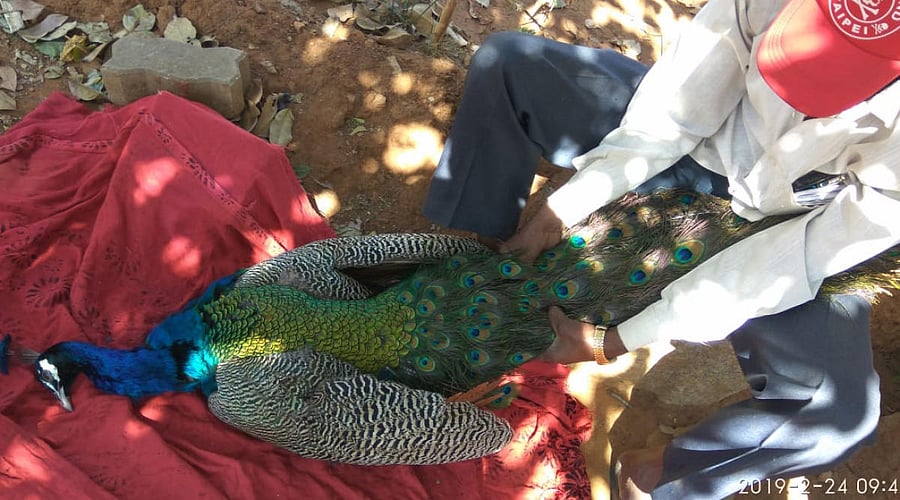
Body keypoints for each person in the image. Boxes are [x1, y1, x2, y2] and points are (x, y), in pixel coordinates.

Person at [423, 0, 900, 497]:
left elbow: (790, 258)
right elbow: (671, 118)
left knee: (837, 414)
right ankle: (475, 255)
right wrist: (556, 213)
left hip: (794, 224)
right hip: (696, 146)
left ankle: (663, 472)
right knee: (508, 62)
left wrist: (621, 339)